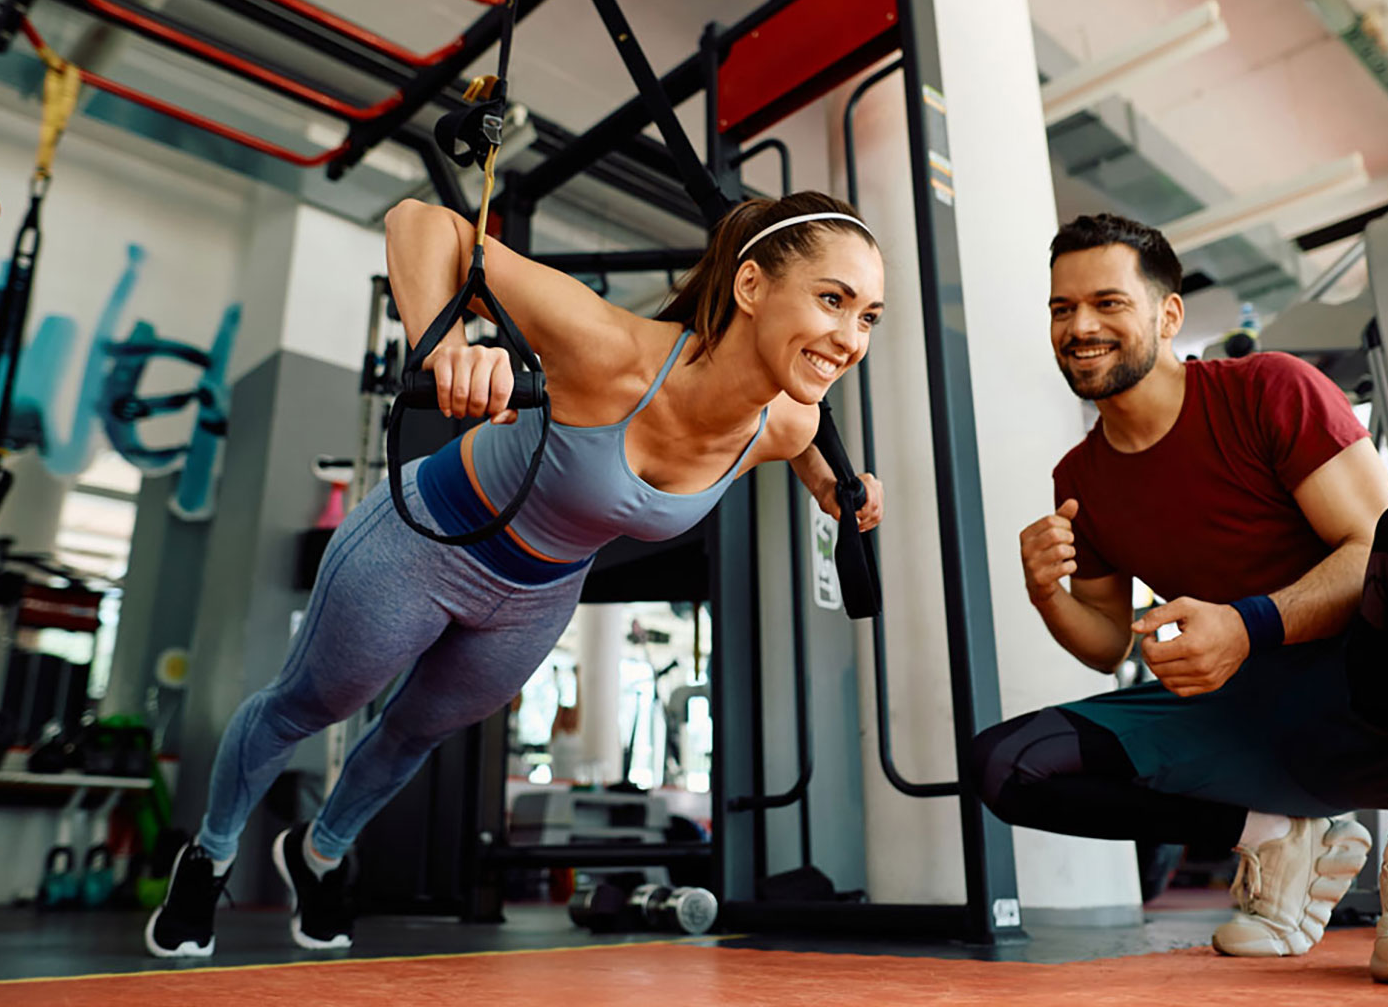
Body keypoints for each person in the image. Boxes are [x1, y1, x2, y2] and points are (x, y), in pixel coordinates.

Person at [145, 190, 886, 957]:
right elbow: (419, 221)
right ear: (752, 286)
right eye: (832, 299)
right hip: (425, 539)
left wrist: (833, 486)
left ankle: (320, 852)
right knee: (310, 704)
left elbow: (804, 445)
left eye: (868, 316)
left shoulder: (790, 420)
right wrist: (446, 346)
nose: (851, 336)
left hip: (538, 594)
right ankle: (210, 854)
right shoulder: (608, 347)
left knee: (412, 734)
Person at [970, 213, 1388, 987]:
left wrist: (1246, 625)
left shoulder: (1267, 388)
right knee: (1005, 766)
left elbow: (1374, 548)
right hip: (1251, 719)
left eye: (1107, 302)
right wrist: (1044, 594)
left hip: (1367, 694)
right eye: (1062, 308)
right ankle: (1274, 836)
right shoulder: (1080, 477)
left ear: (1168, 315)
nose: (1080, 325)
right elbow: (1105, 642)